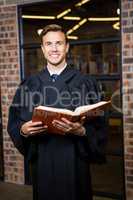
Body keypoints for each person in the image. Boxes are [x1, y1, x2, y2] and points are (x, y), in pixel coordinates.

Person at [7, 24, 107, 200]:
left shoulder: (86, 82)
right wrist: (23, 130)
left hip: (75, 162)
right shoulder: (30, 84)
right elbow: (14, 121)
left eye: (59, 43)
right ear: (43, 49)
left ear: (67, 47)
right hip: (43, 162)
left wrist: (82, 131)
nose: (54, 48)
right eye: (49, 44)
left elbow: (100, 125)